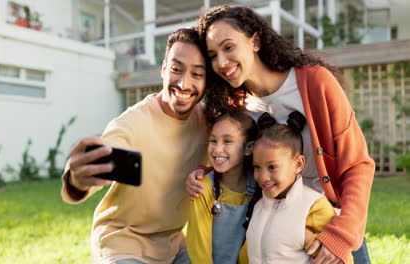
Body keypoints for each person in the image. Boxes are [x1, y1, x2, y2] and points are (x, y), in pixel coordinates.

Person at [186, 5, 375, 264]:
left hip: (329, 225)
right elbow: (235, 161)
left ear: (255, 41)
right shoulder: (237, 106)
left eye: (228, 47)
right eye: (213, 55)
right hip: (273, 228)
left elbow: (357, 165)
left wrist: (341, 235)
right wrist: (206, 171)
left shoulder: (315, 83)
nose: (221, 62)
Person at [62, 28, 210, 264]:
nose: (184, 83)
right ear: (163, 69)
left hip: (173, 244)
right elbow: (104, 155)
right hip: (122, 243)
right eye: (176, 69)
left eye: (197, 74)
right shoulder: (132, 123)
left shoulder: (207, 123)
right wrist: (77, 180)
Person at [246, 111, 353, 264]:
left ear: (298, 164)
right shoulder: (258, 207)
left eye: (272, 167)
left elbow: (342, 259)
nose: (263, 177)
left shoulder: (313, 206)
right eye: (257, 167)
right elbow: (248, 254)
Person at [186, 110, 261, 264]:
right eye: (213, 141)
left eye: (227, 141)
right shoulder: (204, 188)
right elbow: (198, 249)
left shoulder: (260, 186)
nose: (217, 149)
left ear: (248, 148)